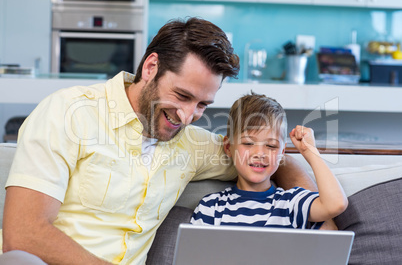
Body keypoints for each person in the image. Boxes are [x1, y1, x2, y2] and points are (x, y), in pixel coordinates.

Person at [1, 18, 319, 265]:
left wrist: (313, 220)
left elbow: (274, 160)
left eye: (202, 105)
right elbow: (24, 232)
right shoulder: (69, 112)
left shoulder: (193, 145)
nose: (187, 116)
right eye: (181, 95)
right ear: (151, 67)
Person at [191, 93, 348, 229]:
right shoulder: (211, 206)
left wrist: (310, 151)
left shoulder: (291, 203)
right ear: (228, 147)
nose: (260, 153)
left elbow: (336, 203)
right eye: (248, 143)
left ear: (282, 152)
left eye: (271, 146)